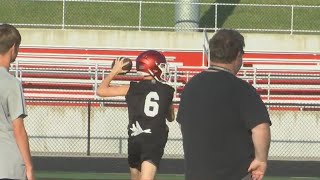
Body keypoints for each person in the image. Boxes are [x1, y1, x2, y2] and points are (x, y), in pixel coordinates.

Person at [177, 29, 271, 180]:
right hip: (235, 174)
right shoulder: (243, 89)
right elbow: (260, 128)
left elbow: (184, 124)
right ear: (238, 55)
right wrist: (261, 160)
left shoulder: (191, 86)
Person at [96, 50, 175, 180]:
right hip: (153, 139)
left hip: (135, 137)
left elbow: (101, 91)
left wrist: (114, 71)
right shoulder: (167, 90)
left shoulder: (131, 88)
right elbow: (171, 118)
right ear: (153, 68)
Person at [0, 24, 35, 180]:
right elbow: (18, 129)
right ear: (13, 48)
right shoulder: (11, 83)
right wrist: (29, 167)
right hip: (8, 165)